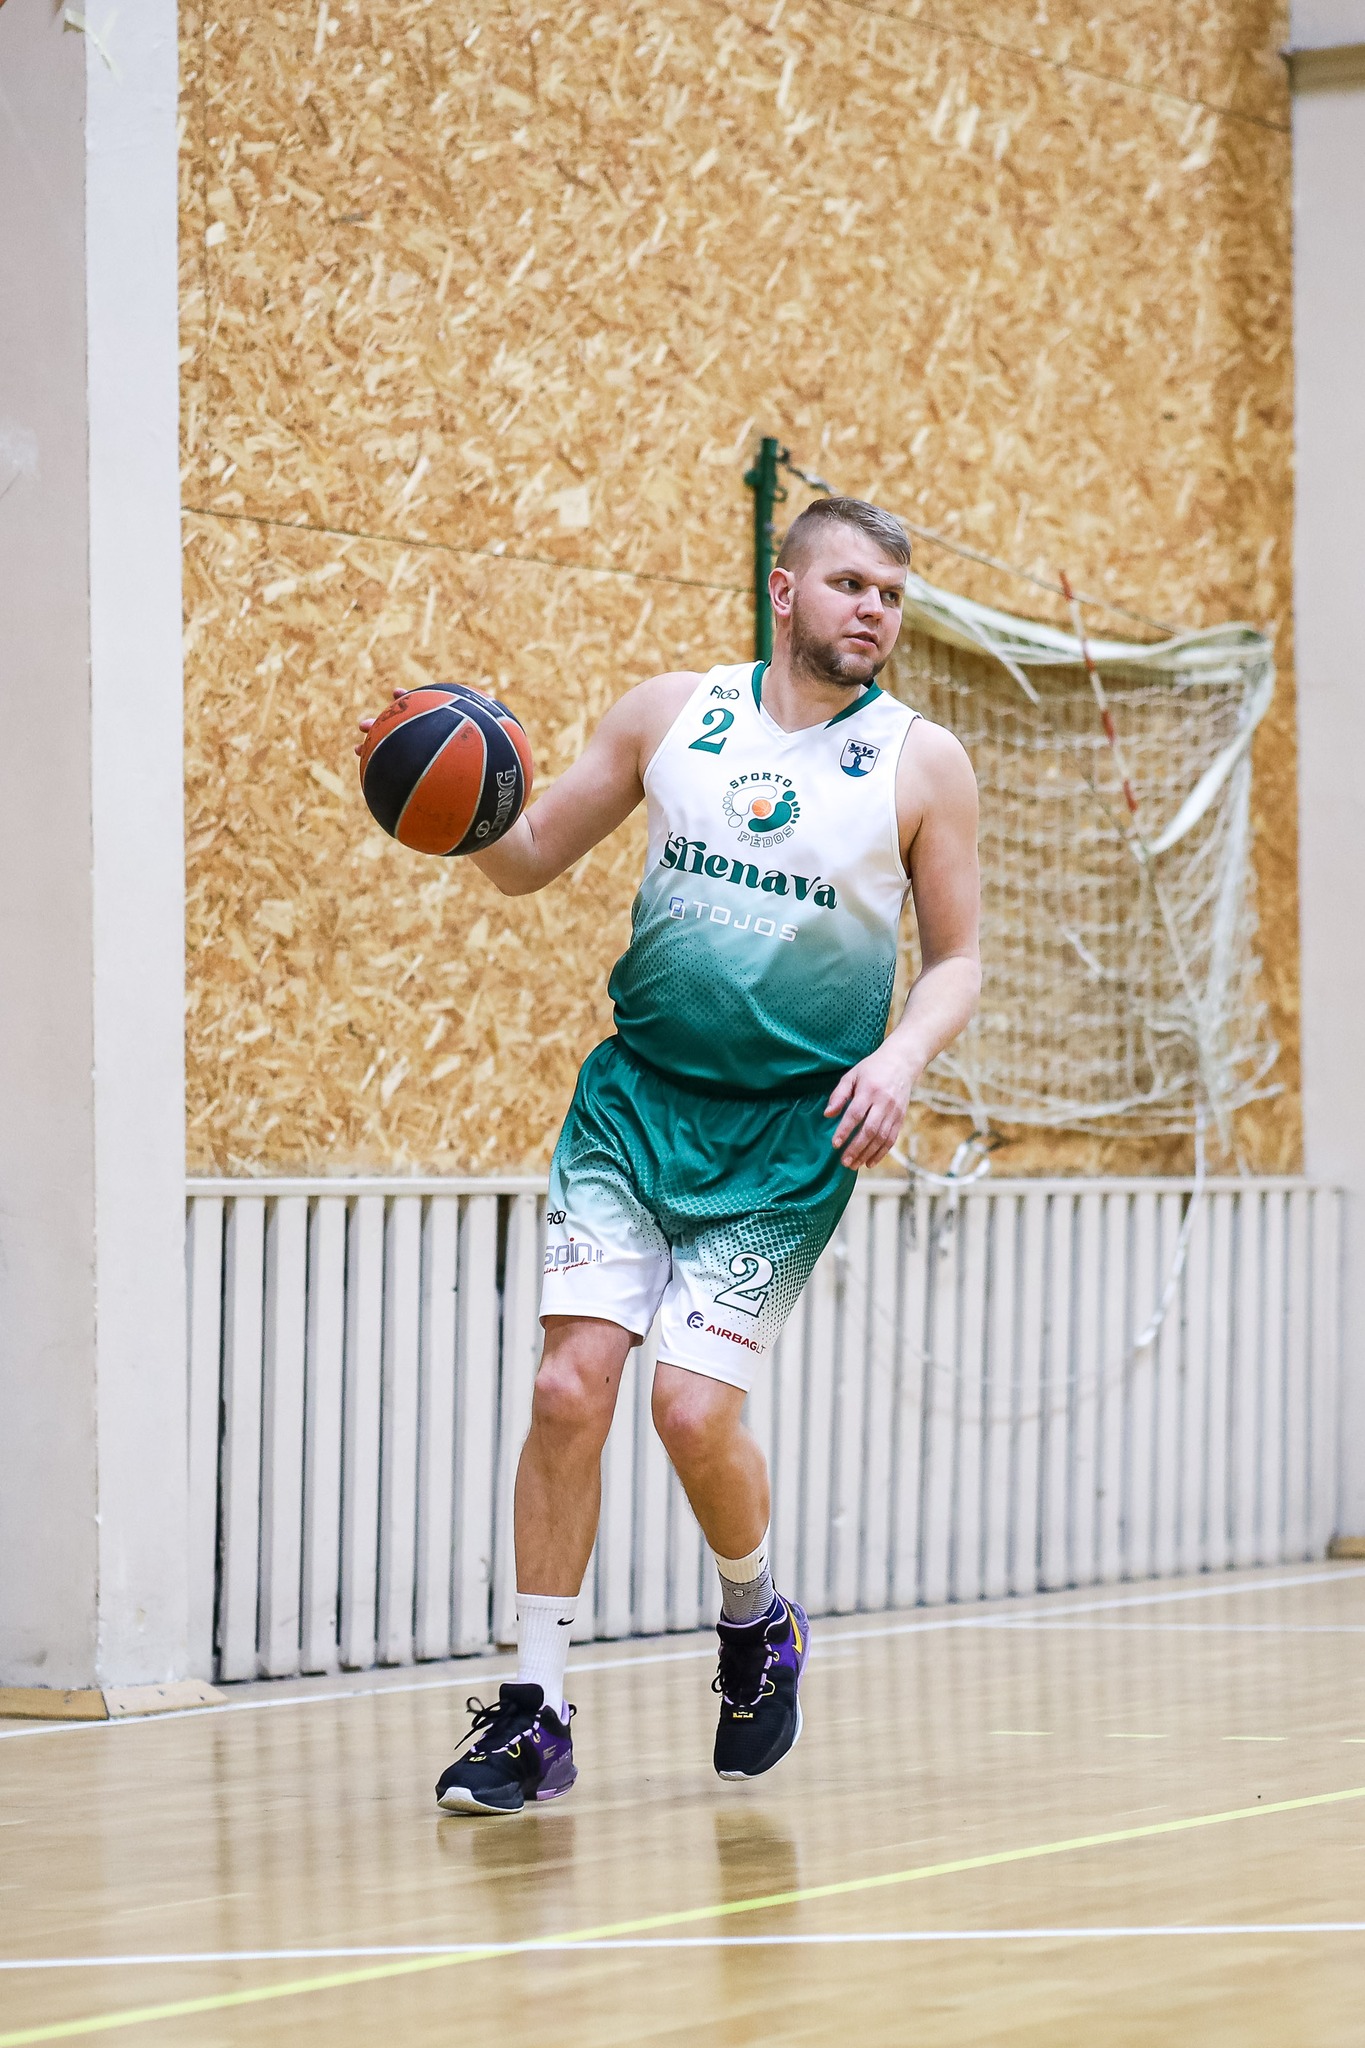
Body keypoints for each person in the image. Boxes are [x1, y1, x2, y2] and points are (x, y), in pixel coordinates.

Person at [376, 497, 980, 1814]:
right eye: (850, 584)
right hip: (635, 1107)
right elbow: (528, 859)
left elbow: (958, 961)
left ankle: (756, 1619)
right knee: (567, 1389)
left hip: (786, 1137)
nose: (874, 610)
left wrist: (898, 1059)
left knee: (691, 1411)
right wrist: (453, 804)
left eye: (891, 593)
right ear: (784, 589)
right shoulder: (671, 714)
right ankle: (533, 1713)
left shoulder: (921, 763)